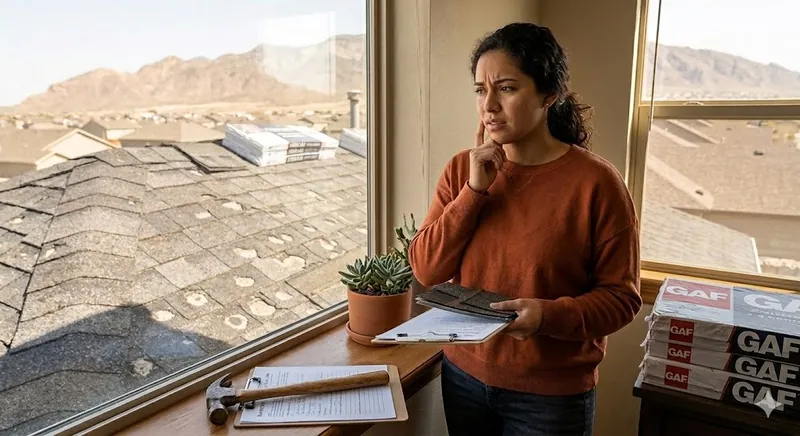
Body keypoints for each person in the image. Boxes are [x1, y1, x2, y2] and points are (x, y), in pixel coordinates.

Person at [407, 22, 642, 436]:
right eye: (481, 89)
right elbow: (426, 269)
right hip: (462, 376)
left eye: (507, 88)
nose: (489, 106)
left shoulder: (597, 184)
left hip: (550, 397)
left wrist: (547, 316)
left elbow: (621, 299)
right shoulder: (463, 169)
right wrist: (474, 191)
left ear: (549, 95)